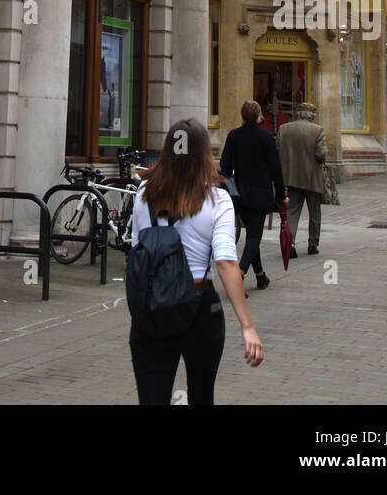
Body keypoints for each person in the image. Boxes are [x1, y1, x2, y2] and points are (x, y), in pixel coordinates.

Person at [128, 118, 263, 406]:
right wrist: (247, 325)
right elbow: (226, 264)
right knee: (202, 395)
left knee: (152, 398)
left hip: (152, 308)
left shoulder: (143, 195)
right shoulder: (218, 201)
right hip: (201, 306)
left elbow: (136, 250)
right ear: (204, 154)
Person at [220, 101, 287, 291]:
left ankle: (260, 275)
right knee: (255, 234)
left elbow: (224, 166)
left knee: (251, 233)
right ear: (258, 115)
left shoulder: (234, 135)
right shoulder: (266, 137)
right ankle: (240, 272)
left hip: (239, 192)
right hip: (260, 192)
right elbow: (276, 169)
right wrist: (282, 195)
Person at [277, 104, 327, 257]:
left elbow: (277, 150)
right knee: (315, 212)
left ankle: (290, 244)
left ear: (298, 114)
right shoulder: (317, 130)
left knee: (291, 211)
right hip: (312, 178)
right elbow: (321, 155)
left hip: (291, 176)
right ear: (311, 116)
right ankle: (313, 243)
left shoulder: (284, 129)